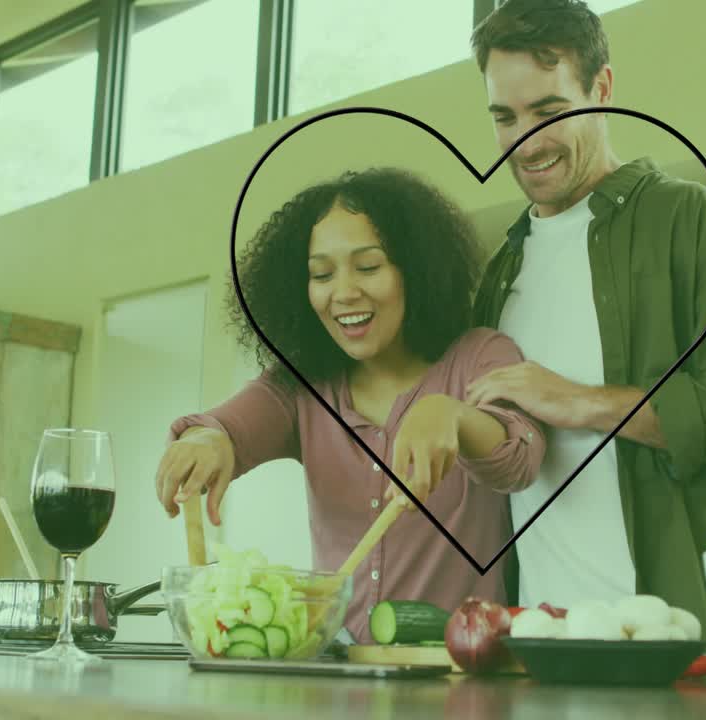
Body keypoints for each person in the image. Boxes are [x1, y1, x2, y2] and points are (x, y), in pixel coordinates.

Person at [465, 0, 706, 656]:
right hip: (538, 654)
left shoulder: (689, 219)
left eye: (549, 111)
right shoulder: (499, 272)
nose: (527, 141)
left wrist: (586, 403)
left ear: (602, 90)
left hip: (678, 651)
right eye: (505, 117)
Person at [154, 167, 546, 644]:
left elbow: (521, 456)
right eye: (322, 274)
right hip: (336, 686)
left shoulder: (479, 356)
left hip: (460, 679)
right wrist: (206, 440)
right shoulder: (303, 388)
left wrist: (455, 416)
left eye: (368, 267)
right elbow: (225, 427)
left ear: (416, 270)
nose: (343, 292)